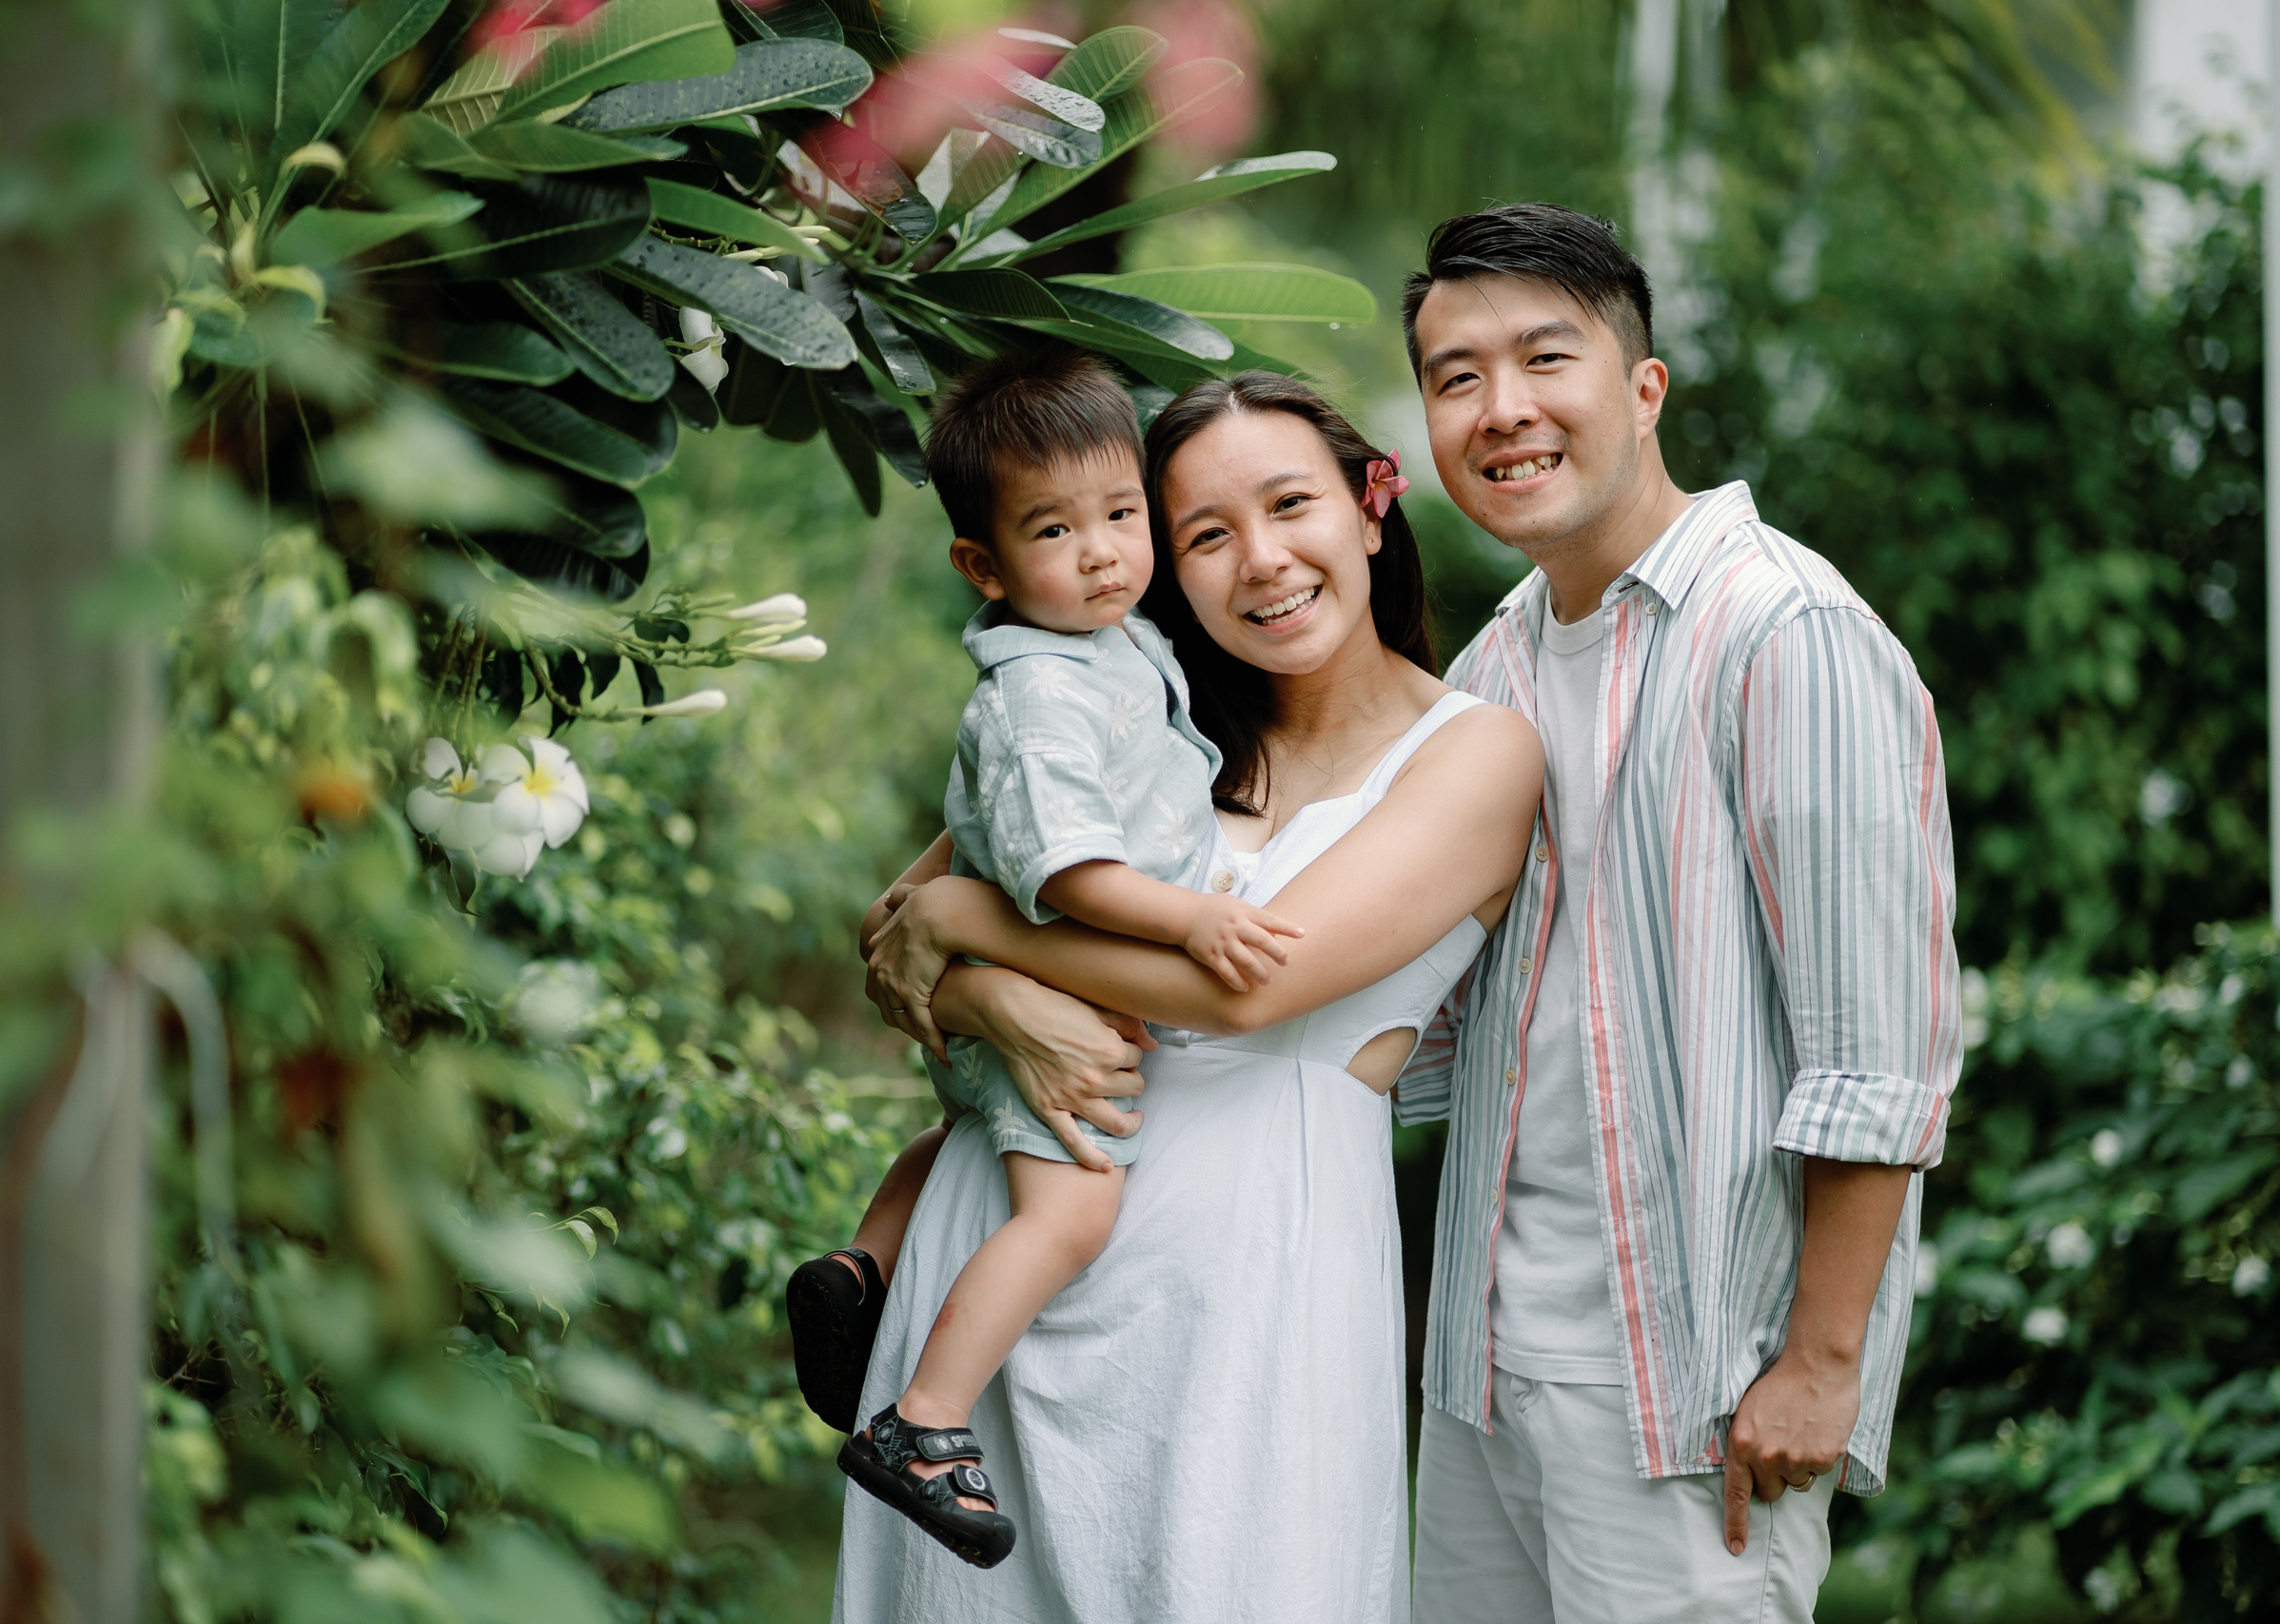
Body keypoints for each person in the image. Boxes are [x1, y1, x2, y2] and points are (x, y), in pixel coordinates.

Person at [832, 373, 1542, 1622]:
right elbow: (896, 935)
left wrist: (975, 934)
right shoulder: (1130, 730)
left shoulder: (1476, 753)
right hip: (1007, 1246)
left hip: (1255, 1289)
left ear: (1371, 509)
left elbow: (1246, 991)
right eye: (1209, 532)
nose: (1261, 559)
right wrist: (989, 990)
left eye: (1290, 505)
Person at [1392, 203, 1961, 1623]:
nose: (1501, 409)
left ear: (1644, 390)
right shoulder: (1493, 665)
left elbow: (1879, 1050)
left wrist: (1824, 1360)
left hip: (1689, 1393)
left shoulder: (1786, 633)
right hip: (1486, 1368)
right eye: (1455, 376)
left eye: (1544, 358)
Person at [790, 350, 1306, 1568]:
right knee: (1070, 1214)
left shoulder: (1110, 644)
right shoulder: (1041, 691)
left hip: (1020, 1010)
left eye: (1122, 516)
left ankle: (863, 1264)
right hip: (1065, 998)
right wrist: (1191, 919)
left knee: (958, 1130)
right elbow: (1066, 870)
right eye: (1056, 531)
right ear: (983, 565)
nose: (1103, 554)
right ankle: (921, 1424)